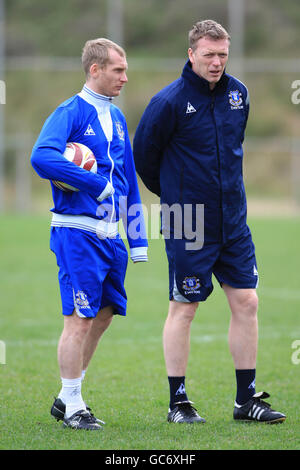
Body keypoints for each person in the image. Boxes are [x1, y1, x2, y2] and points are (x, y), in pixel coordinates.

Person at [133, 20, 286, 424]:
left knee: (247, 301)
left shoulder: (239, 94)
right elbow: (144, 158)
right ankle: (178, 401)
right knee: (185, 307)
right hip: (188, 220)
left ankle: (245, 400)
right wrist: (176, 197)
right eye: (209, 55)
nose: (217, 62)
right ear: (191, 54)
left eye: (222, 55)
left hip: (233, 219)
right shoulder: (167, 102)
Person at [31, 38, 148, 430]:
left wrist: (138, 238)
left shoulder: (116, 117)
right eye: (118, 70)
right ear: (95, 70)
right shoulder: (70, 112)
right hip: (77, 232)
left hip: (111, 236)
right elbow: (42, 156)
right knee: (79, 318)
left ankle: (67, 397)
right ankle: (74, 404)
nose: (125, 77)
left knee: (105, 312)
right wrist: (91, 183)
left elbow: (128, 179)